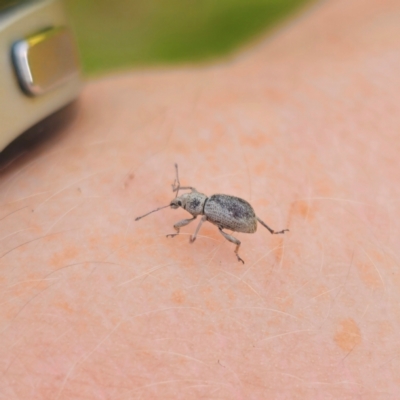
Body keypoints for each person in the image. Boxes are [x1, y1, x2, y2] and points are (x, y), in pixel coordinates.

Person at [1, 0, 400, 397]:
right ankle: (271, 228)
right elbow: (202, 202)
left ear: (194, 206)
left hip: (237, 216)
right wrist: (182, 203)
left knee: (235, 236)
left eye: (182, 205)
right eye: (183, 204)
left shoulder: (204, 212)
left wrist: (187, 234)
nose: (182, 206)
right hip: (234, 208)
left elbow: (207, 222)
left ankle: (252, 241)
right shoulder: (201, 203)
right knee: (234, 221)